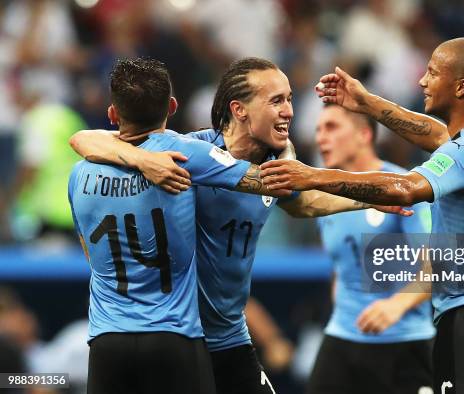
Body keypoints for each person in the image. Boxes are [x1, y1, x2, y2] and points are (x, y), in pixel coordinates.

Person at [69, 57, 408, 394]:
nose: (289, 110)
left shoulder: (275, 162)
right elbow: (89, 139)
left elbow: (303, 202)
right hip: (184, 337)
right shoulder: (190, 154)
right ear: (240, 109)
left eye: (289, 99)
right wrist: (144, 159)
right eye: (276, 100)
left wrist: (365, 199)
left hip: (229, 336)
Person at [260, 38, 464, 394]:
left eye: (433, 73)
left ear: (461, 86)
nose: (422, 81)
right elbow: (436, 134)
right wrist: (366, 102)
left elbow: (405, 189)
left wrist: (311, 175)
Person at [68, 57, 295, 394]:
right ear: (172, 107)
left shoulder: (79, 175)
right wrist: (288, 154)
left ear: (113, 114)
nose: (288, 109)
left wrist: (138, 158)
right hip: (175, 336)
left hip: (107, 340)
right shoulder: (187, 158)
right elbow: (271, 182)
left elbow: (89, 249)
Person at [307, 103, 436, 394]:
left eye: (331, 127)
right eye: (317, 129)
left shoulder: (403, 188)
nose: (320, 138)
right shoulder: (323, 197)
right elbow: (343, 265)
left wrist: (396, 304)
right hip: (342, 339)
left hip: (404, 343)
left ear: (364, 135)